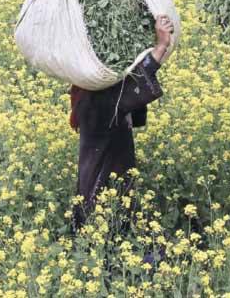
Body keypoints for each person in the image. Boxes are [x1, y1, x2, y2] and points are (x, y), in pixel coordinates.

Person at [69, 15, 174, 232]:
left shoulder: (88, 85)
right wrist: (161, 45)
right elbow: (136, 80)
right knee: (103, 206)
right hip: (104, 191)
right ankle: (103, 242)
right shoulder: (98, 92)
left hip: (110, 172)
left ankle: (103, 236)